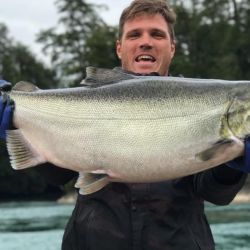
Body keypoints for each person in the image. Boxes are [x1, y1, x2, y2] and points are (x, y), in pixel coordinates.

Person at [0, 1, 249, 249]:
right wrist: (16, 123)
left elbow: (216, 193)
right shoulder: (85, 100)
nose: (146, 41)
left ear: (172, 48)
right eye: (134, 34)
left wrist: (233, 166)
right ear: (119, 48)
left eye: (157, 34)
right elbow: (59, 175)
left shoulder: (204, 104)